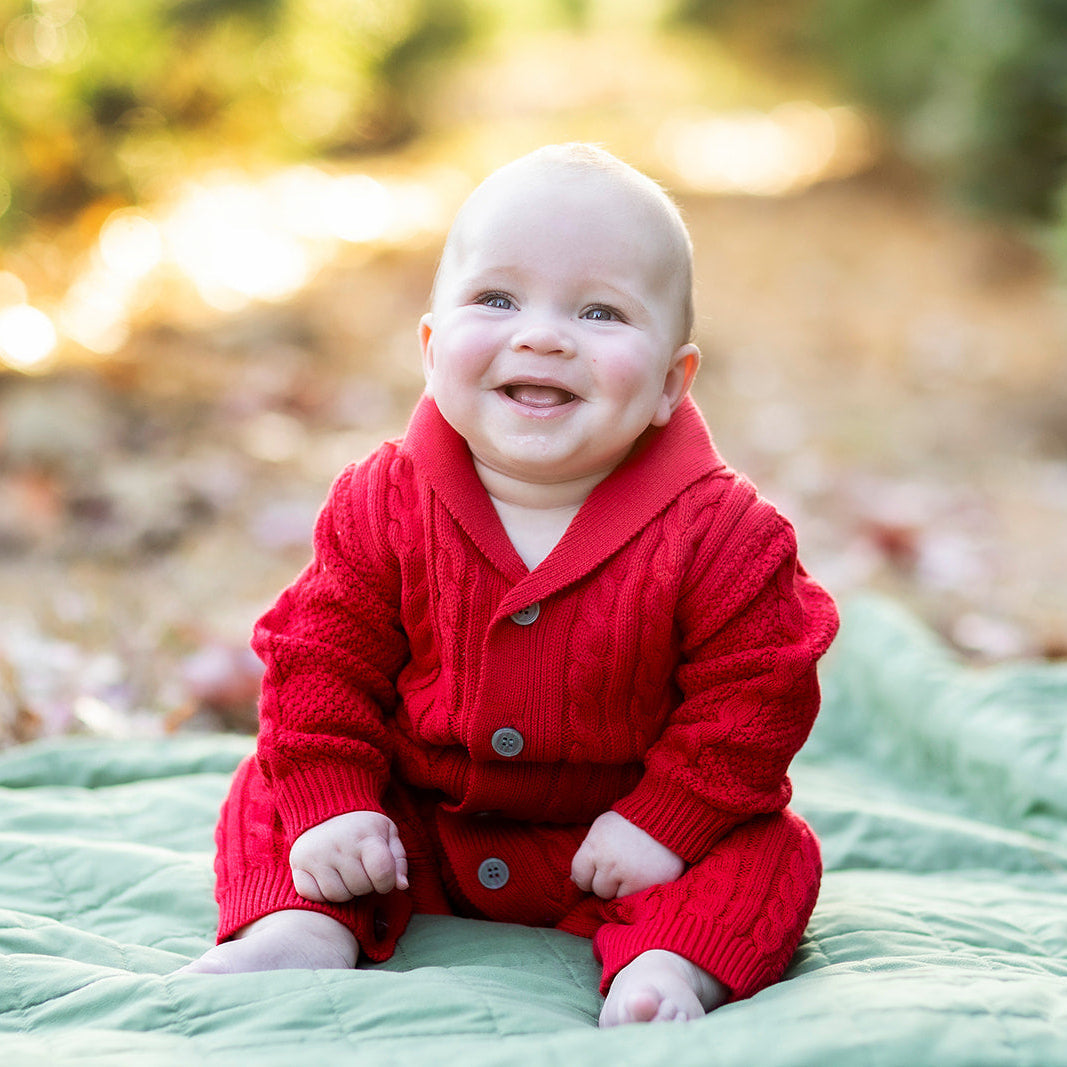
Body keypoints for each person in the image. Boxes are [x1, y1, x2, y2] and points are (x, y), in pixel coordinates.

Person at [181, 143, 839, 1028]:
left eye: (600, 311)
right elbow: (320, 664)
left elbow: (756, 698)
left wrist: (664, 823)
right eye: (496, 299)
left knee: (770, 853)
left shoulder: (726, 535)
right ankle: (300, 921)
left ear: (668, 386)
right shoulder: (381, 500)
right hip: (414, 828)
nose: (542, 334)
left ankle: (669, 966)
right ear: (429, 348)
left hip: (617, 842)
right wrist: (335, 807)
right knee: (273, 784)